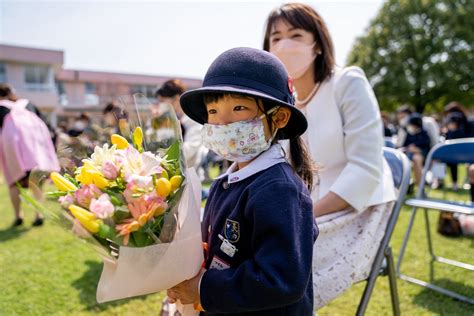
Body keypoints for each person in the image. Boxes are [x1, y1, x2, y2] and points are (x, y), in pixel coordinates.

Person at [263, 3, 396, 308]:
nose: (285, 45)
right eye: (276, 38)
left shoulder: (347, 83)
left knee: (275, 261)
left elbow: (365, 168)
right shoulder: (280, 104)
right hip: (303, 206)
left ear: (318, 45)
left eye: (296, 34)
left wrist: (304, 213)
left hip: (357, 208)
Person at [166, 47, 317, 315]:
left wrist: (203, 287)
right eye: (212, 110)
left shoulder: (280, 190)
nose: (222, 122)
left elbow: (281, 278)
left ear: (279, 117)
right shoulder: (224, 182)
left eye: (239, 108)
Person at [0, 84, 60, 227]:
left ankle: (18, 216)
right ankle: (38, 213)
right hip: (35, 147)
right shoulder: (28, 104)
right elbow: (46, 125)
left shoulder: (1, 107)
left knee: (14, 182)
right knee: (35, 181)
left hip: (12, 146)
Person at [155, 80, 208, 173]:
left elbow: (189, 150)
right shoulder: (168, 120)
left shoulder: (193, 120)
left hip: (191, 175)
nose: (160, 105)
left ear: (176, 98)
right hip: (170, 174)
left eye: (163, 101)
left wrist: (161, 156)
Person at [401, 113, 431, 185]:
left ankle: (420, 184)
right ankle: (404, 183)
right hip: (408, 154)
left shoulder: (424, 134)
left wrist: (417, 149)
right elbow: (404, 145)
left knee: (416, 158)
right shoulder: (409, 134)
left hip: (421, 156)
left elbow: (426, 148)